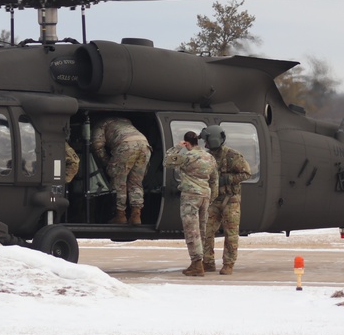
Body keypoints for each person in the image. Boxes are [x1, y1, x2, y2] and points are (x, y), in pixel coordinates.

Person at [164, 131, 218, 277]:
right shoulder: (209, 157)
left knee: (191, 230)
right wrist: (212, 196)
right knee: (201, 230)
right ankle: (202, 261)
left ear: (186, 143)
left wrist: (176, 147)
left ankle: (196, 264)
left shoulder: (186, 157)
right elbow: (214, 179)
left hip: (190, 196)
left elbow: (167, 161)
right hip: (205, 196)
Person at [199, 125, 252, 275]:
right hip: (214, 200)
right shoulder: (207, 156)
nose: (205, 144)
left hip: (230, 200)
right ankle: (207, 262)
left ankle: (228, 263)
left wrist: (227, 179)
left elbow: (247, 173)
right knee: (206, 230)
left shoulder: (233, 156)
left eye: (207, 140)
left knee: (231, 233)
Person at [91, 116, 152, 225]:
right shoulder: (126, 121)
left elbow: (97, 146)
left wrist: (107, 162)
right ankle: (136, 215)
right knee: (136, 182)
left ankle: (120, 215)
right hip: (145, 145)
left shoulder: (100, 124)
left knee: (119, 181)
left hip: (126, 146)